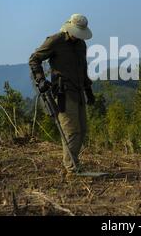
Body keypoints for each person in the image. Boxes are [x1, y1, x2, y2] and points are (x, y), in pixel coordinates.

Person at [29, 14, 95, 173]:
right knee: (71, 131)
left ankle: (73, 163)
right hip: (63, 92)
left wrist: (88, 90)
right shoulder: (55, 41)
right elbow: (34, 59)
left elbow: (83, 69)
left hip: (78, 91)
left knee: (82, 130)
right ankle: (71, 169)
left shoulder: (81, 45)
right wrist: (40, 79)